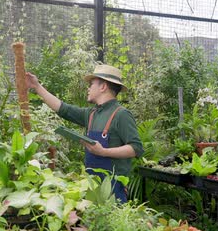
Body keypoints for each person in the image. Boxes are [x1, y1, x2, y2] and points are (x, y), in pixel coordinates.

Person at [26, 64, 143, 203]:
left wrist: (104, 152)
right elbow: (63, 109)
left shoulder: (121, 115)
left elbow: (136, 148)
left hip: (113, 190)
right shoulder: (92, 114)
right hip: (91, 186)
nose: (88, 88)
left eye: (91, 84)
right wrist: (37, 87)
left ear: (103, 86)